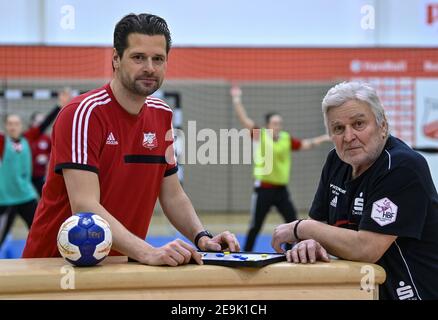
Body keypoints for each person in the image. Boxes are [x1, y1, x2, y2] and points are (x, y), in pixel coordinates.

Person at [23, 13, 240, 266]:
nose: (149, 67)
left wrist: (202, 237)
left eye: (158, 59)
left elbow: (172, 194)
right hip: (55, 267)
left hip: (121, 266)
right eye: (138, 57)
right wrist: (148, 251)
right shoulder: (83, 113)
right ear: (115, 58)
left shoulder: (162, 115)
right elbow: (85, 204)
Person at [271, 81, 438, 300]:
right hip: (361, 291)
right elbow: (319, 224)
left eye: (359, 124)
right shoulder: (336, 161)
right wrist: (311, 241)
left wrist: (301, 228)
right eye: (338, 128)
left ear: (383, 126)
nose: (348, 137)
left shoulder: (402, 166)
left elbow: (366, 249)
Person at [230, 86, 329, 251]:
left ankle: (290, 251)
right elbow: (244, 119)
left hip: (281, 190)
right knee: (256, 225)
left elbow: (306, 144)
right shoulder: (260, 135)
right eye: (275, 123)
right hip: (263, 189)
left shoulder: (285, 138)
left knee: (293, 223)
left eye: (279, 123)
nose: (278, 126)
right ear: (268, 125)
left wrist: (326, 137)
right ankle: (246, 253)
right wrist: (236, 99)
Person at [0, 106, 60, 246]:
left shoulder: (27, 138)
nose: (13, 127)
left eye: (16, 124)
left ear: (21, 126)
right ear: (6, 126)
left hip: (25, 195)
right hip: (6, 197)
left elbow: (43, 125)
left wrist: (58, 106)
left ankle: (43, 262)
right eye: (10, 124)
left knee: (39, 232)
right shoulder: (3, 142)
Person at [29, 88, 72, 196]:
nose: (39, 123)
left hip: (41, 177)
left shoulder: (47, 139)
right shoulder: (28, 137)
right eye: (36, 121)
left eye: (40, 121)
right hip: (27, 178)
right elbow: (44, 124)